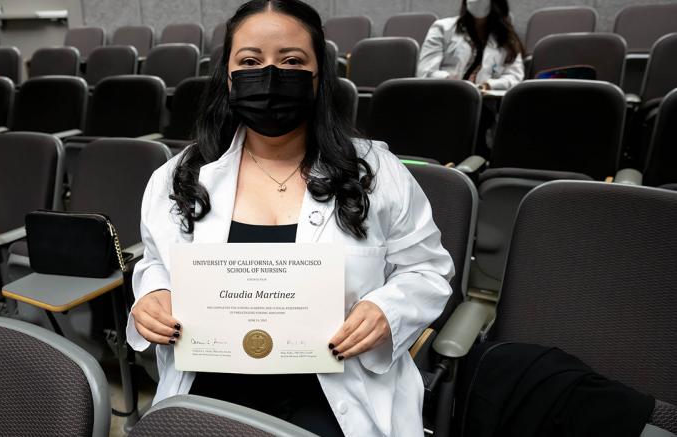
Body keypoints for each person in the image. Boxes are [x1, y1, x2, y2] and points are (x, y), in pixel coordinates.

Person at [127, 1, 454, 436]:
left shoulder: (375, 172)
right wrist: (154, 294)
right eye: (250, 61)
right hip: (209, 382)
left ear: (319, 76)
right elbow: (154, 262)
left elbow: (428, 270)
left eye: (292, 60)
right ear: (227, 75)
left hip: (337, 389)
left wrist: (386, 310)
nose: (270, 75)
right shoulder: (177, 176)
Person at [417, 0, 524, 91]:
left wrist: (488, 85)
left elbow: (514, 77)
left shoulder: (507, 39)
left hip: (485, 104)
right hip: (444, 97)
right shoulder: (442, 28)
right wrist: (448, 79)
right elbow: (425, 71)